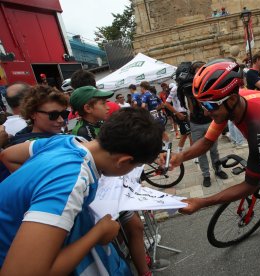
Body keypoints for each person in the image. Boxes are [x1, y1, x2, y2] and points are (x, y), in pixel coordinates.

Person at [170, 60, 260, 276]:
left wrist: (203, 201)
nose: (206, 112)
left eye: (209, 106)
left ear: (232, 99)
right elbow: (207, 142)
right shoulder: (231, 103)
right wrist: (180, 157)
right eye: (203, 105)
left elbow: (249, 186)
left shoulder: (258, 123)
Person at [0, 108, 164, 275]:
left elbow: (8, 155)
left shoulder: (66, 141)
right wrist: (98, 233)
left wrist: (32, 196)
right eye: (135, 167)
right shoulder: (72, 181)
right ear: (123, 161)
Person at [178, 61, 229, 187]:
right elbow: (185, 100)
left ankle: (218, 170)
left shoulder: (209, 84)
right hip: (195, 124)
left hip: (211, 122)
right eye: (197, 71)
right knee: (200, 152)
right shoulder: (188, 87)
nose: (200, 73)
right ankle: (206, 175)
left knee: (213, 149)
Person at [162, 82, 192, 151]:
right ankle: (195, 156)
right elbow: (166, 104)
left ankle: (178, 151)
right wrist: (178, 113)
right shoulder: (175, 89)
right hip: (180, 114)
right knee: (191, 135)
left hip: (184, 113)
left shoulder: (183, 87)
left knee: (184, 135)